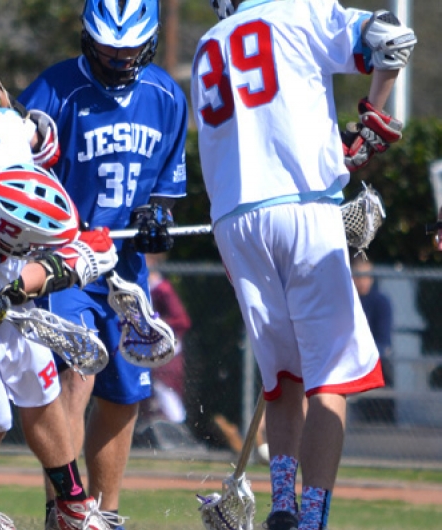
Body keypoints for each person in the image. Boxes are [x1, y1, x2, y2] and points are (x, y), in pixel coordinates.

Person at [189, 1, 415, 529]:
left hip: (234, 220)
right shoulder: (300, 12)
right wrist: (373, 117)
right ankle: (312, 517)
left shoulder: (206, 44)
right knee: (331, 379)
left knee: (283, 379)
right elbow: (393, 39)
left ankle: (283, 506)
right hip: (303, 202)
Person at [17, 0, 188, 525]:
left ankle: (104, 511)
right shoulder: (53, 90)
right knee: (77, 369)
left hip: (125, 267)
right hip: (64, 260)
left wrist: (156, 215)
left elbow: (166, 191)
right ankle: (63, 507)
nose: (118, 60)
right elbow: (15, 175)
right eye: (109, 49)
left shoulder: (165, 96)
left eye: (129, 49)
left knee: (124, 391)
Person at [0, 93, 120, 530]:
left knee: (41, 386)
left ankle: (72, 502)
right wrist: (66, 270)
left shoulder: (5, 138)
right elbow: (9, 291)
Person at [135, 253, 193, 448]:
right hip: (147, 351)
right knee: (150, 394)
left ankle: (177, 433)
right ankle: (156, 435)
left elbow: (182, 321)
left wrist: (155, 326)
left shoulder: (162, 289)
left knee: (166, 390)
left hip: (167, 351)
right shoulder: (144, 290)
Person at [351, 256, 395, 422]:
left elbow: (383, 340)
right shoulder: (348, 300)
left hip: (375, 357)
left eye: (367, 276)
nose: (363, 281)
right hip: (350, 357)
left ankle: (383, 419)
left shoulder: (380, 301)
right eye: (358, 275)